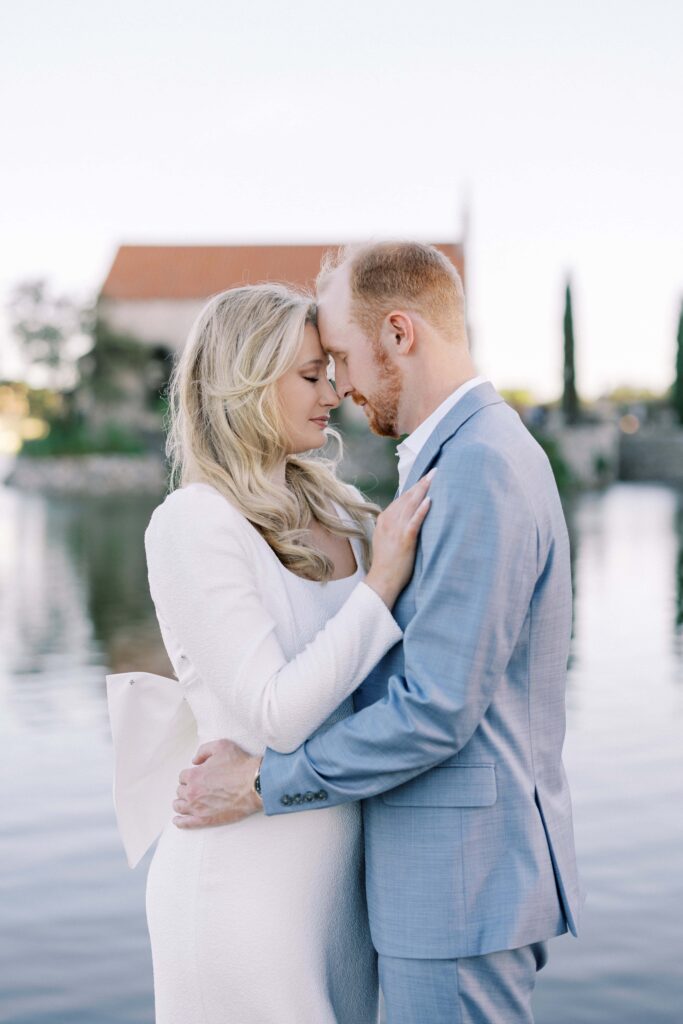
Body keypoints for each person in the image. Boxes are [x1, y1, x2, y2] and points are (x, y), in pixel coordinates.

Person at [173, 242, 583, 1024]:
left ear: (398, 334)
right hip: (438, 883)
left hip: (458, 885)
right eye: (316, 368)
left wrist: (260, 782)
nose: (339, 385)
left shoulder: (477, 466)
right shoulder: (465, 456)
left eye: (340, 357)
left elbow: (433, 709)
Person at [108, 282, 434, 1023]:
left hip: (336, 888)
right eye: (309, 375)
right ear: (247, 382)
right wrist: (379, 584)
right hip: (240, 887)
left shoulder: (339, 510)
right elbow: (276, 716)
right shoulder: (195, 522)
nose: (333, 393)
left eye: (329, 371)